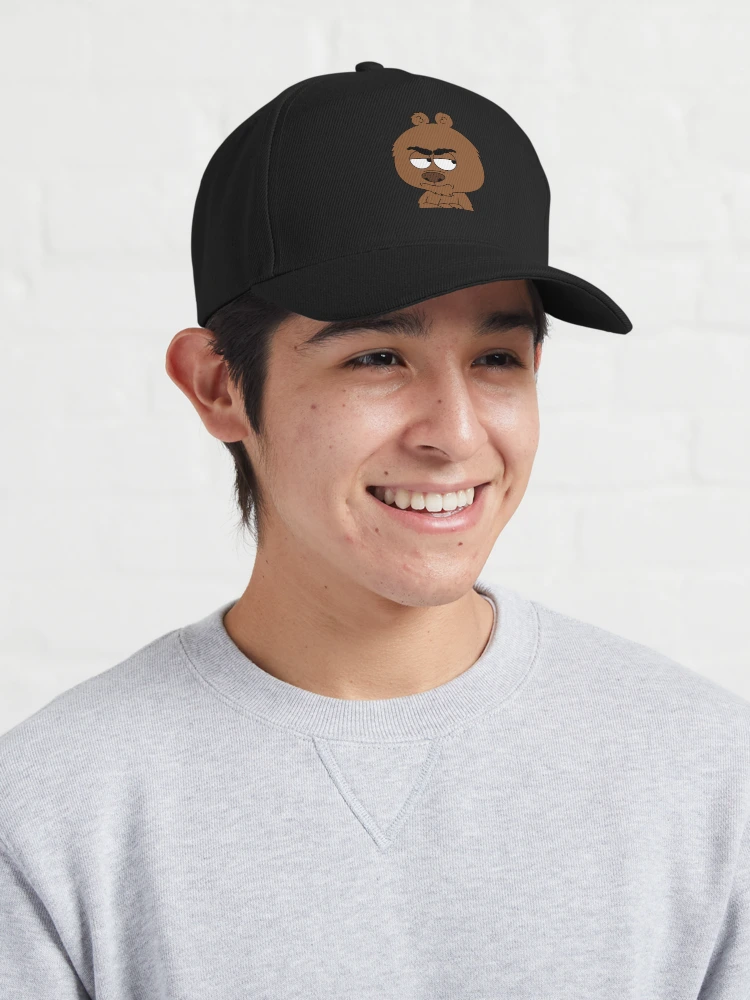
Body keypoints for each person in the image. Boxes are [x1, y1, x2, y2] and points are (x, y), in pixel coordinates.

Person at [1, 62, 748, 999]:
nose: (457, 434)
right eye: (378, 357)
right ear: (219, 385)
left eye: (498, 358)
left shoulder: (711, 777)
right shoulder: (51, 817)